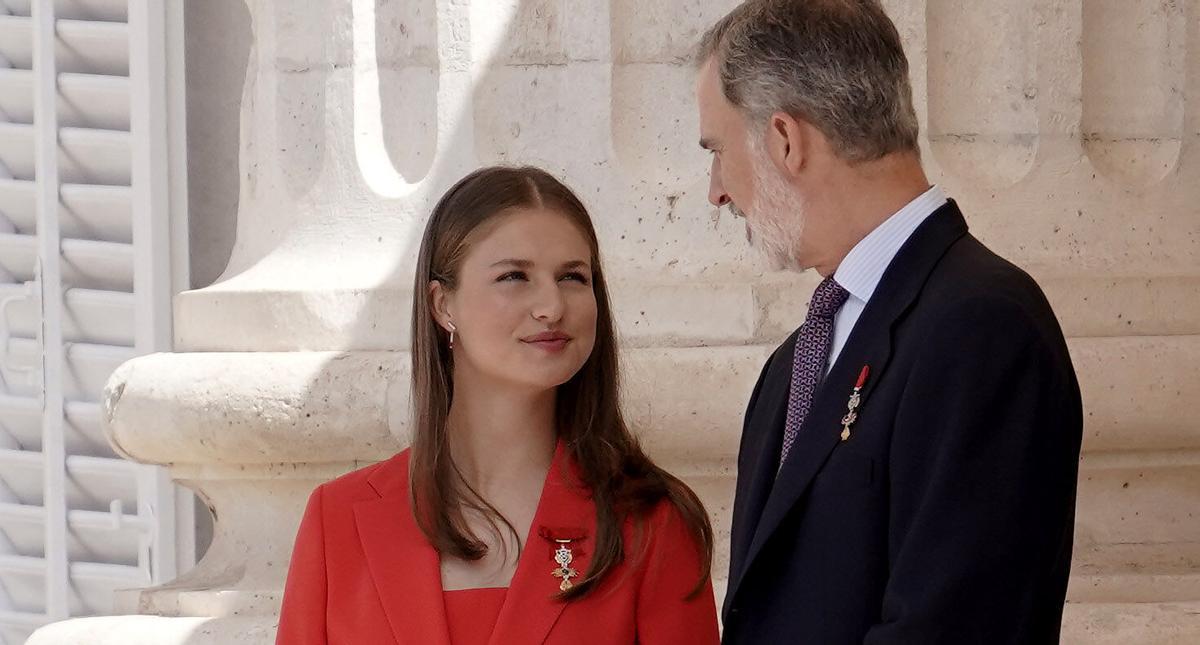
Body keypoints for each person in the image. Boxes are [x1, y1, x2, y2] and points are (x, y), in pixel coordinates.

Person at [694, 1, 1083, 643]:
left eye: (717, 149)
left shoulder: (984, 327)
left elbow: (957, 625)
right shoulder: (794, 363)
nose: (715, 190)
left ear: (785, 140)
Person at [275, 166, 719, 645]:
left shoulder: (651, 522)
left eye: (573, 276)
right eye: (514, 276)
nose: (551, 305)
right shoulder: (338, 518)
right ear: (443, 305)